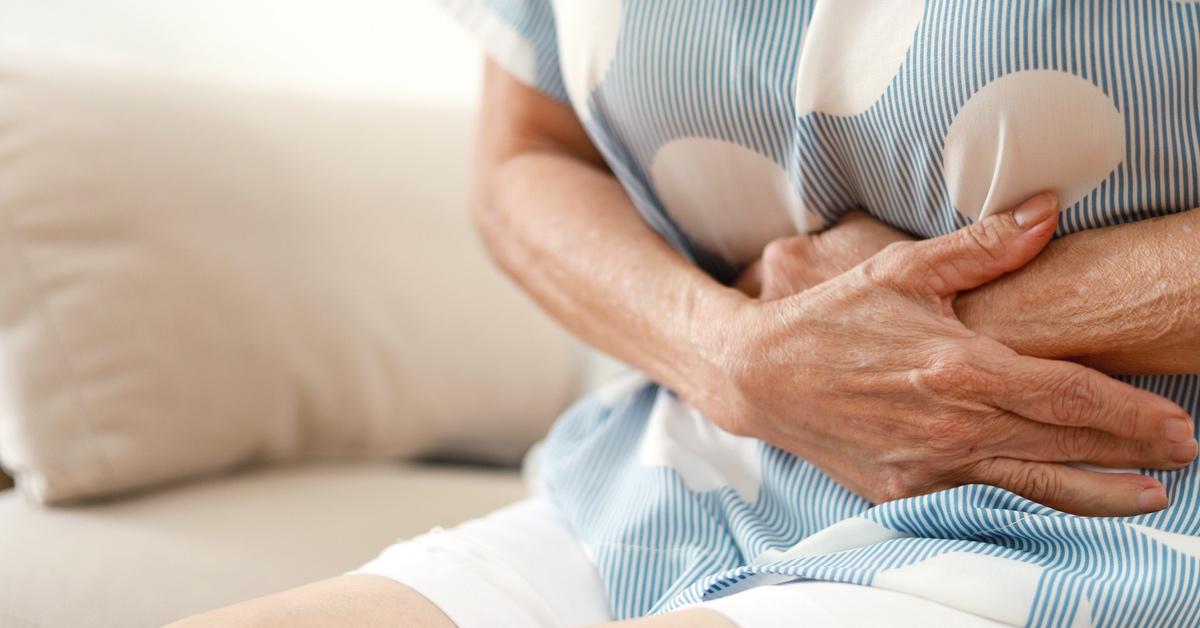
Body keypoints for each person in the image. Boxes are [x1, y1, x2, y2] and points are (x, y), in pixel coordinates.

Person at [174, 2, 1200, 626]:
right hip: (685, 475)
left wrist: (899, 341)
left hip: (1125, 516)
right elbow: (527, 155)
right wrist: (732, 355)